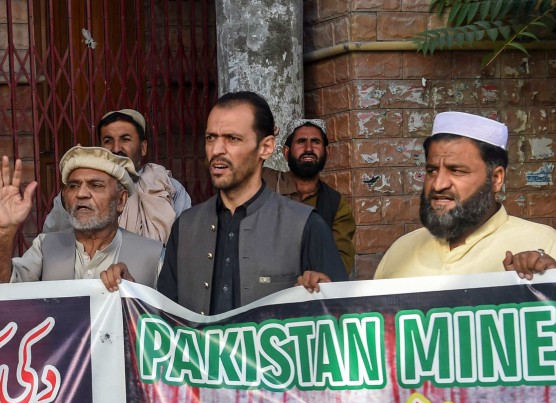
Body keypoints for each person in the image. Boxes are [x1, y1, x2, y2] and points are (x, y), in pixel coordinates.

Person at [157, 91, 347, 316]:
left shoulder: (306, 225)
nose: (217, 150)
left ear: (266, 147)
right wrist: (125, 292)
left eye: (232, 138)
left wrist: (323, 293)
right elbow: (164, 321)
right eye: (211, 138)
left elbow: (341, 319)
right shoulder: (186, 226)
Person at [375, 111, 556, 280]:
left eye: (457, 171)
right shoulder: (400, 251)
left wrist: (547, 282)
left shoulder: (545, 243)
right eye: (432, 170)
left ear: (495, 178)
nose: (438, 185)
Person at [0, 147, 163, 290]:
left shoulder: (154, 255)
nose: (81, 194)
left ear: (121, 201)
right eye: (73, 186)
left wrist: (134, 295)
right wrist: (5, 231)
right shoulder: (45, 247)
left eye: (95, 185)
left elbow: (172, 325)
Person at [42, 108, 190, 243]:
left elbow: (185, 241)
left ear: (143, 147)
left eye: (125, 139)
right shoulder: (81, 191)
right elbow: (53, 238)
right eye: (108, 141)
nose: (116, 148)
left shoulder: (167, 187)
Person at [263, 118, 357, 274]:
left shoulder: (335, 203)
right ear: (286, 152)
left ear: (326, 153)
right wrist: (259, 139)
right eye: (301, 141)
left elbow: (340, 261)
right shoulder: (265, 182)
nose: (308, 148)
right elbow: (238, 172)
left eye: (315, 142)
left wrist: (318, 278)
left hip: (310, 291)